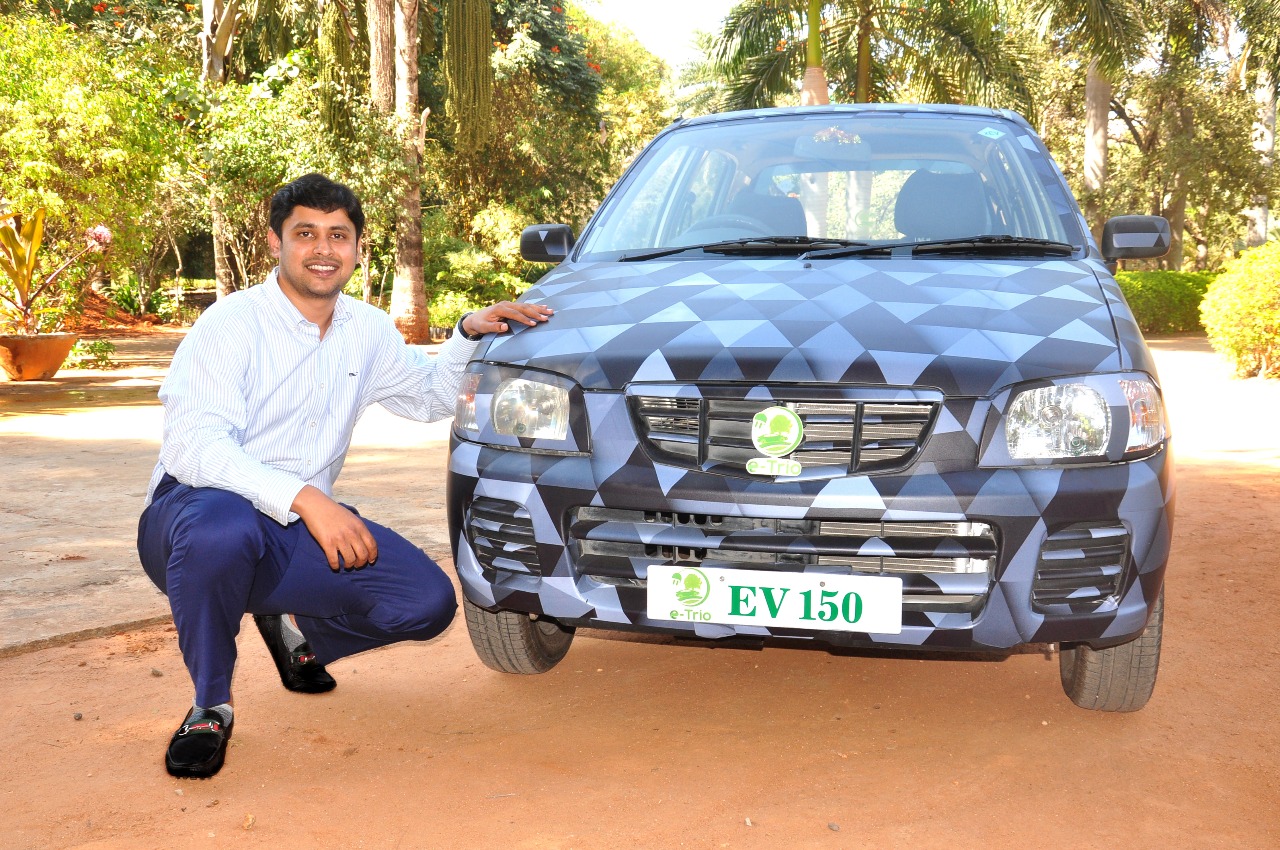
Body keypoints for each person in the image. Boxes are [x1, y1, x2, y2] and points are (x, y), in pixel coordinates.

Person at [137, 173, 552, 778]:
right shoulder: (230, 325)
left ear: (358, 249)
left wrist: (465, 333)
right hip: (194, 514)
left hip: (292, 526)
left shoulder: (367, 330)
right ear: (277, 241)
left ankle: (287, 621)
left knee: (425, 604)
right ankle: (210, 704)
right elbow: (194, 447)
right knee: (224, 529)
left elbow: (429, 397)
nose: (323, 248)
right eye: (305, 233)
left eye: (339, 235)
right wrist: (307, 498)